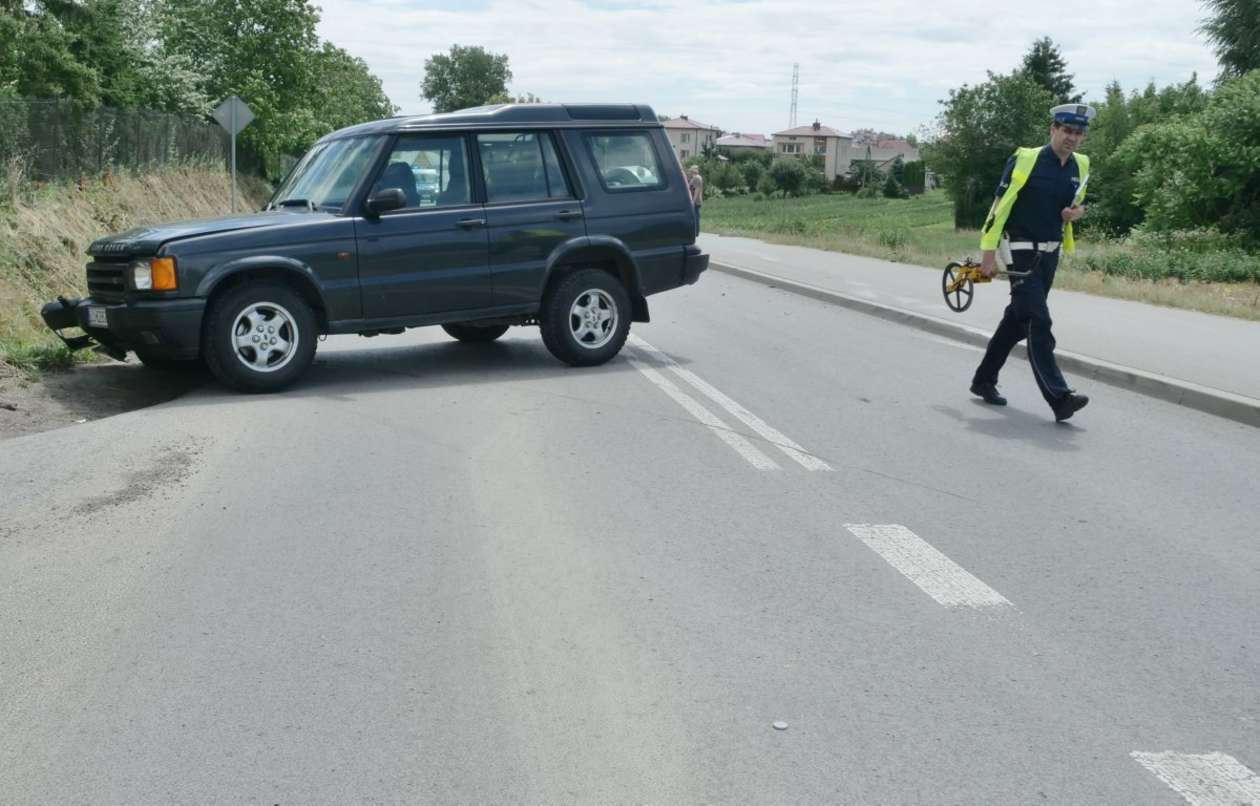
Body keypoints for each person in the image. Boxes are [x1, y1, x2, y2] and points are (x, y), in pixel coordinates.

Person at [969, 103, 1094, 422]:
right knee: (1038, 321)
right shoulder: (1025, 158)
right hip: (1019, 250)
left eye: (1078, 133)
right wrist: (988, 253)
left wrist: (1076, 213)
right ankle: (1060, 397)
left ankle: (983, 380)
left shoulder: (1081, 164)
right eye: (1067, 130)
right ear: (1053, 129)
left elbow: (1077, 204)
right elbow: (999, 206)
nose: (1072, 138)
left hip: (1050, 254)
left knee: (1017, 320)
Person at [687, 166, 704, 233]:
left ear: (692, 171)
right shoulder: (697, 177)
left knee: (695, 216)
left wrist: (693, 201)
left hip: (696, 200)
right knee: (696, 215)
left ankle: (696, 231)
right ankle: (696, 230)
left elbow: (697, 190)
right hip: (698, 199)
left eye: (690, 171)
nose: (689, 173)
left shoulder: (696, 178)